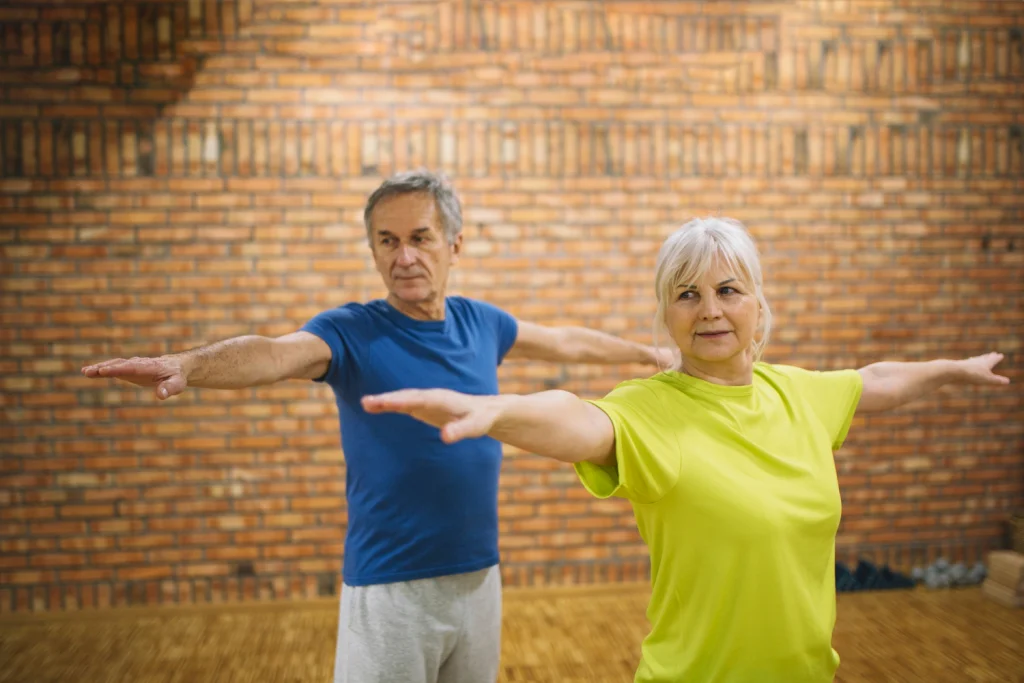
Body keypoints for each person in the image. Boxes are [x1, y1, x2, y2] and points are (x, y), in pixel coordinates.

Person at [362, 216, 1011, 683]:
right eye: (687, 294)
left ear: (758, 304)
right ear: (667, 316)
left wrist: (953, 368)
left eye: (728, 290)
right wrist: (500, 409)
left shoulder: (797, 392)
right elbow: (579, 419)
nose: (710, 310)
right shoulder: (653, 408)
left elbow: (875, 380)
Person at [82, 170, 670, 683]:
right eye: (386, 242)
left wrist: (648, 355)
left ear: (454, 244)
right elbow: (272, 354)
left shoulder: (481, 323)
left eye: (419, 238)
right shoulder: (350, 331)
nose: (403, 257)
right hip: (390, 588)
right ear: (372, 250)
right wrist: (189, 365)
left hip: (478, 576)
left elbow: (564, 339)